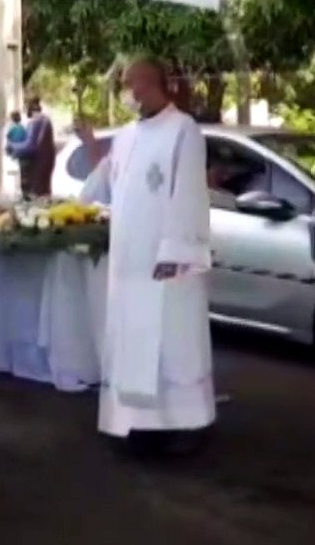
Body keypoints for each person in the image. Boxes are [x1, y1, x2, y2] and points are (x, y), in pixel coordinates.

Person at [77, 56, 214, 456]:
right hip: (128, 263)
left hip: (166, 262)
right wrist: (89, 148)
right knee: (132, 342)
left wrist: (178, 251)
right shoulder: (126, 135)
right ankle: (135, 422)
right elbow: (108, 184)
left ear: (152, 84)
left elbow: (189, 194)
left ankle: (181, 425)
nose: (126, 92)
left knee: (171, 343)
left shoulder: (183, 129)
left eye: (130, 83)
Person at [7, 95, 56, 197]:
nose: (25, 111)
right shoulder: (45, 119)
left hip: (36, 165)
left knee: (35, 194)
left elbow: (30, 146)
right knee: (44, 192)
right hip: (47, 162)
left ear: (30, 107)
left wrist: (12, 146)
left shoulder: (35, 121)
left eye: (25, 107)